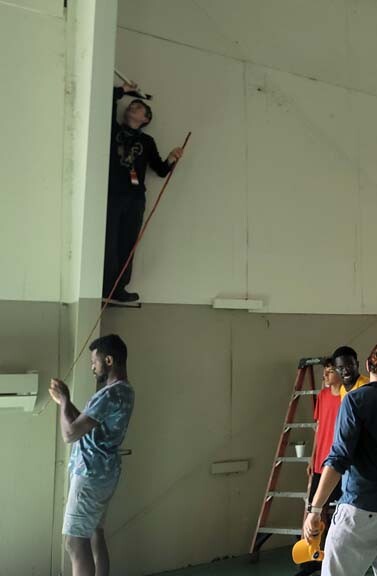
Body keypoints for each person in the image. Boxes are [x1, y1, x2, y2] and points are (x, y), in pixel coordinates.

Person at [302, 342, 377, 576]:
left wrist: (315, 509)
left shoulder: (355, 400)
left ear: (368, 365)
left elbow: (338, 458)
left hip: (363, 508)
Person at [49, 335, 135, 576]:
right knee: (95, 533)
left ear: (108, 360)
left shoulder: (109, 394)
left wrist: (64, 399)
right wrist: (64, 404)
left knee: (75, 542)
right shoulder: (125, 391)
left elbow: (70, 433)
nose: (92, 367)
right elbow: (86, 424)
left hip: (90, 476)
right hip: (105, 474)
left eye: (94, 362)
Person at [105, 82, 184, 302]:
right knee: (108, 240)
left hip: (136, 198)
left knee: (128, 243)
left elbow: (161, 170)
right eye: (131, 105)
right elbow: (107, 99)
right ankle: (103, 287)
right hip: (112, 194)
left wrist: (171, 158)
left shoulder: (147, 142)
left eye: (139, 106)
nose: (133, 106)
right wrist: (124, 90)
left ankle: (119, 289)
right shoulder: (113, 130)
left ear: (146, 119)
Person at [306, 347, 369, 539]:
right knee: (317, 506)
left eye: (349, 365)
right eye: (340, 367)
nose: (345, 370)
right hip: (331, 459)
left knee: (351, 508)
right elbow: (321, 427)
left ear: (358, 364)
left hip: (351, 461)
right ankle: (316, 549)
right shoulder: (338, 391)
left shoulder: (365, 388)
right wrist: (313, 457)